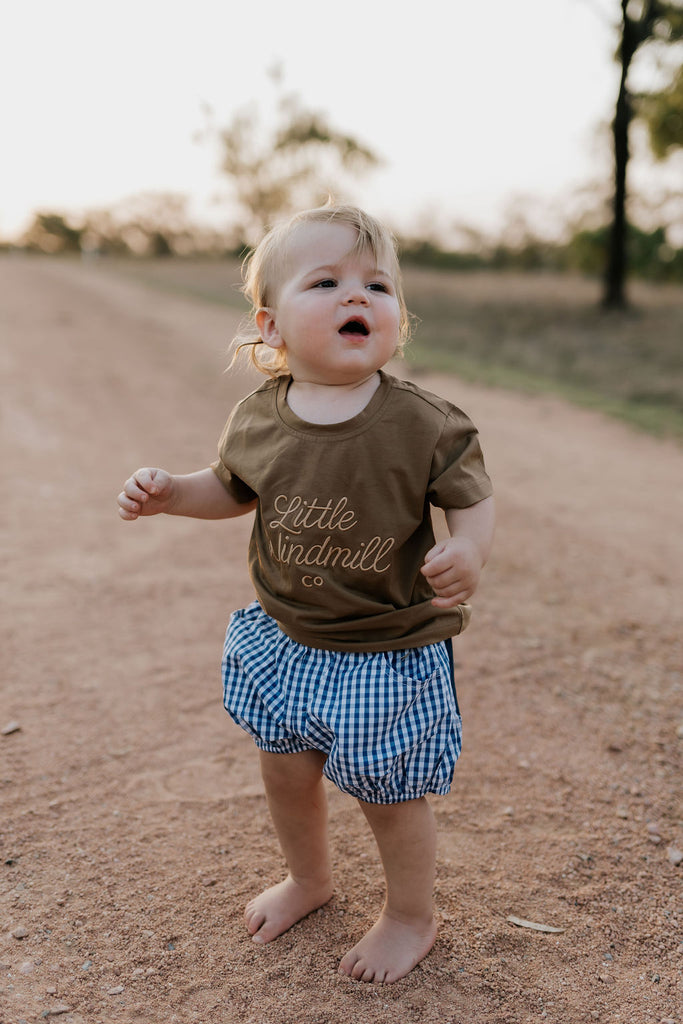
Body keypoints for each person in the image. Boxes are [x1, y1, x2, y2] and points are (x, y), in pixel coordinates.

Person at [117, 204, 494, 984]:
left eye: (376, 285)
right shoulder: (259, 416)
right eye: (325, 282)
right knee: (285, 771)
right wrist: (172, 493)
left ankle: (409, 915)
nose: (356, 296)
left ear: (397, 317)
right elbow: (231, 488)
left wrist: (467, 547)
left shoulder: (422, 422)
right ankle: (309, 879)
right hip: (286, 636)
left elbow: (470, 495)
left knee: (388, 794)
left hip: (386, 647)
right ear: (271, 325)